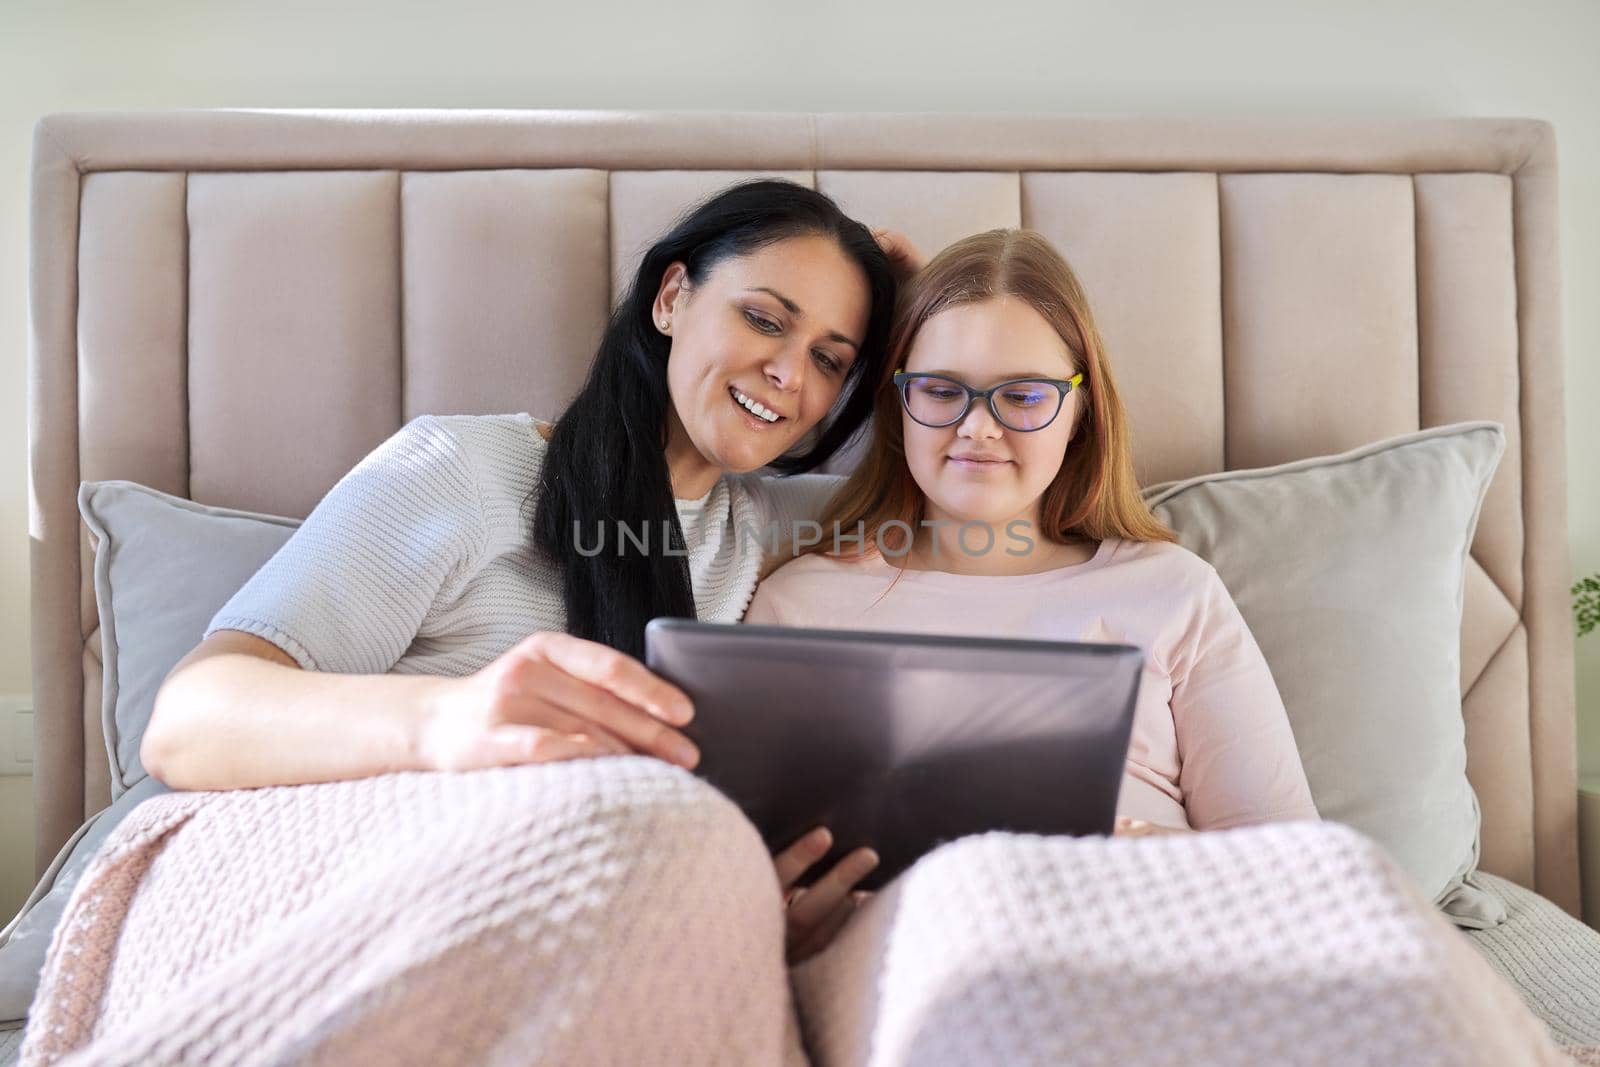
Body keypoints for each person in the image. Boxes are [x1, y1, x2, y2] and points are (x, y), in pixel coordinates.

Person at [141, 179, 906, 966]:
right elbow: (190, 720)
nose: (789, 372)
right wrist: (452, 717)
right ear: (672, 297)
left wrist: (924, 324)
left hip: (604, 932)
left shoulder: (779, 530)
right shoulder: (464, 470)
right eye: (764, 318)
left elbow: (983, 481)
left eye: (829, 359)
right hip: (388, 908)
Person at [747, 229, 1319, 859]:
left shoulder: (1175, 591)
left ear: (1081, 414)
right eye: (941, 391)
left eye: (1021, 396)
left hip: (1140, 921)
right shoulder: (798, 606)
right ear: (899, 404)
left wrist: (1146, 851)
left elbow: (1292, 868)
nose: (977, 427)